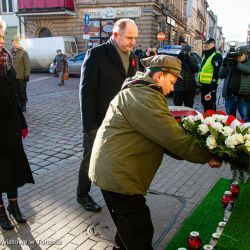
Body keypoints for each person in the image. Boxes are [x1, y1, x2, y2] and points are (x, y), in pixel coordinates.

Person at [88, 54, 222, 249]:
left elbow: (164, 140)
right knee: (139, 233)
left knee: (128, 233)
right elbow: (172, 137)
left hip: (119, 173)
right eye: (172, 81)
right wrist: (208, 155)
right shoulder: (143, 96)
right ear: (159, 76)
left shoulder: (144, 93)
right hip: (119, 176)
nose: (173, 87)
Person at [77, 18, 138, 212]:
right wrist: (89, 127)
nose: (133, 42)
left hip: (121, 121)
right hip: (98, 120)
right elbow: (86, 93)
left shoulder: (132, 56)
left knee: (116, 158)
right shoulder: (96, 54)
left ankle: (115, 192)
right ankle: (82, 194)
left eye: (135, 38)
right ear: (115, 35)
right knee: (90, 158)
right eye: (129, 37)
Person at [0, 17, 34, 230]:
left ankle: (14, 206)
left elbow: (14, 96)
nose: (1, 40)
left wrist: (21, 121)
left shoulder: (6, 60)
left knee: (13, 170)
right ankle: (1, 211)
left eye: (1, 36)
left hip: (10, 127)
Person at [219, 46, 250, 122]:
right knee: (230, 120)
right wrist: (224, 64)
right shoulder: (231, 63)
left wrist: (237, 64)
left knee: (246, 119)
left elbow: (247, 70)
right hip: (230, 96)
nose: (238, 57)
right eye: (237, 55)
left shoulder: (248, 63)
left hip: (243, 97)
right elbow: (221, 75)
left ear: (245, 55)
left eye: (240, 55)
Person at [197, 38, 222, 111]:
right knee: (204, 102)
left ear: (213, 44)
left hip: (211, 84)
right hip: (204, 84)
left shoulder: (216, 55)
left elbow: (217, 71)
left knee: (210, 103)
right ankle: (206, 118)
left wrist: (213, 83)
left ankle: (211, 119)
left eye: (209, 44)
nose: (206, 45)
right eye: (206, 44)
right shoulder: (206, 54)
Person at [10, 36, 30, 112]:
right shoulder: (10, 52)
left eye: (16, 43)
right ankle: (18, 104)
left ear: (19, 44)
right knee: (15, 91)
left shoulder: (23, 52)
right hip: (12, 76)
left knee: (22, 91)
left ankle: (23, 105)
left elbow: (27, 64)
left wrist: (27, 75)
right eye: (13, 43)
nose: (14, 44)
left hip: (21, 76)